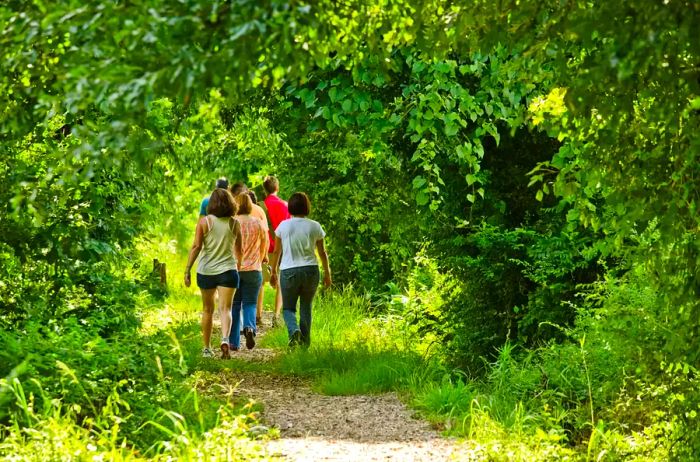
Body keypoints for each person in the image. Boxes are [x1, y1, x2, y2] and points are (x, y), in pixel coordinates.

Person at [185, 188, 243, 359]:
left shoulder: (205, 222)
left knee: (207, 310)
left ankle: (207, 348)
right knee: (226, 309)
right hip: (228, 270)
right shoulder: (235, 224)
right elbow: (240, 250)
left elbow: (196, 247)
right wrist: (236, 267)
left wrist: (187, 268)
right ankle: (225, 339)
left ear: (212, 204)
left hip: (207, 271)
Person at [270, 192, 331, 347]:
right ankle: (304, 345)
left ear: (290, 207)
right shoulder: (315, 226)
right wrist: (327, 273)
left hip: (289, 271)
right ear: (306, 206)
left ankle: (294, 330)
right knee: (306, 307)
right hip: (311, 270)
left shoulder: (283, 226)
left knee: (288, 308)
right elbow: (322, 252)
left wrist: (273, 272)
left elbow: (277, 251)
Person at [229, 193, 268, 350]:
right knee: (250, 303)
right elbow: (265, 241)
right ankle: (250, 328)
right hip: (254, 269)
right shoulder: (257, 222)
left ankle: (234, 342)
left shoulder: (232, 223)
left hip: (234, 269)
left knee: (235, 305)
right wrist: (262, 257)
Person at [263, 176, 290, 326]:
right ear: (277, 188)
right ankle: (276, 315)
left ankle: (256, 316)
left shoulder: (260, 206)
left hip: (263, 250)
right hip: (281, 249)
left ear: (264, 189)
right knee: (280, 282)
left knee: (259, 282)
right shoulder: (285, 205)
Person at [248, 190, 271, 326]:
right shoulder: (260, 210)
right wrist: (265, 254)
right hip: (258, 251)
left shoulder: (237, 210)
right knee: (260, 283)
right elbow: (265, 234)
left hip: (241, 255)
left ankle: (244, 318)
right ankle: (258, 315)